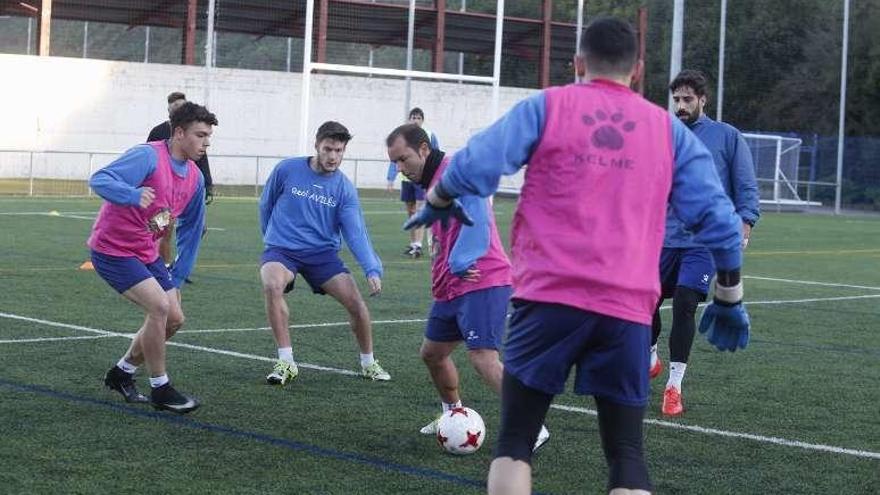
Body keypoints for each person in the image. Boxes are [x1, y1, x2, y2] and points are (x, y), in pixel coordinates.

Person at [405, 17, 751, 495]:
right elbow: (720, 221)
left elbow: (472, 164)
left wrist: (439, 199)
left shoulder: (547, 106)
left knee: (516, 444)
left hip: (547, 301)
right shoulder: (666, 130)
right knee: (627, 454)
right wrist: (730, 296)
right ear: (638, 71)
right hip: (626, 311)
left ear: (578, 64)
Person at [386, 124, 549, 450]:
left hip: (482, 279)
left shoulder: (455, 171)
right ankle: (452, 414)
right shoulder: (432, 180)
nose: (401, 170)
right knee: (432, 354)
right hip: (451, 287)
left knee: (483, 358)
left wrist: (462, 260)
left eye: (403, 160)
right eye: (395, 164)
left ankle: (533, 426)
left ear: (423, 150)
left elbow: (478, 216)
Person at [650, 69, 760, 416]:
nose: (680, 106)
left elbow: (745, 183)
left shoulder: (726, 137)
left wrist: (745, 220)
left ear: (702, 100)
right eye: (676, 100)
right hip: (662, 238)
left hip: (703, 240)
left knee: (685, 301)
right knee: (644, 302)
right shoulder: (662, 135)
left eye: (687, 100)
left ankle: (673, 387)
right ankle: (649, 355)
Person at [93, 102, 217, 414]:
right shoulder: (147, 156)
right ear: (178, 133)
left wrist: (179, 273)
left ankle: (121, 373)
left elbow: (190, 227)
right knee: (159, 307)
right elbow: (100, 179)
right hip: (113, 250)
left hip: (147, 254)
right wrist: (132, 195)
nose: (206, 142)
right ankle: (161, 387)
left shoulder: (195, 178)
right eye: (200, 135)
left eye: (208, 136)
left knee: (174, 318)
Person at [259, 121, 391, 384]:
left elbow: (355, 233)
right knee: (272, 283)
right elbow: (266, 204)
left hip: (322, 254)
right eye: (328, 149)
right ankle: (286, 362)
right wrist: (271, 240)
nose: (333, 156)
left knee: (356, 304)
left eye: (339, 151)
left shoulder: (344, 188)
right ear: (316, 145)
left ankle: (369, 363)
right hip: (283, 250)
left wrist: (371, 268)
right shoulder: (287, 169)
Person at [148, 91, 214, 280]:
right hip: (165, 195)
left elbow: (202, 161)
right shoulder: (158, 132)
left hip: (186, 192)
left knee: (199, 228)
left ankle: (173, 267)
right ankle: (162, 268)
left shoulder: (195, 139)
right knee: (160, 227)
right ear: (169, 109)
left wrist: (208, 185)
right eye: (175, 107)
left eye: (182, 106)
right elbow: (151, 159)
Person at [386, 107, 440, 258]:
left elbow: (435, 154)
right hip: (406, 180)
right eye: (413, 117)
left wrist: (435, 176)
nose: (415, 120)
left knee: (419, 211)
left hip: (422, 179)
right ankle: (413, 243)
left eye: (418, 118)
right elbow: (395, 158)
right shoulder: (402, 136)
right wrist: (391, 178)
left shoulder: (429, 135)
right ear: (409, 119)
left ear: (422, 120)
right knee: (411, 212)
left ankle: (418, 245)